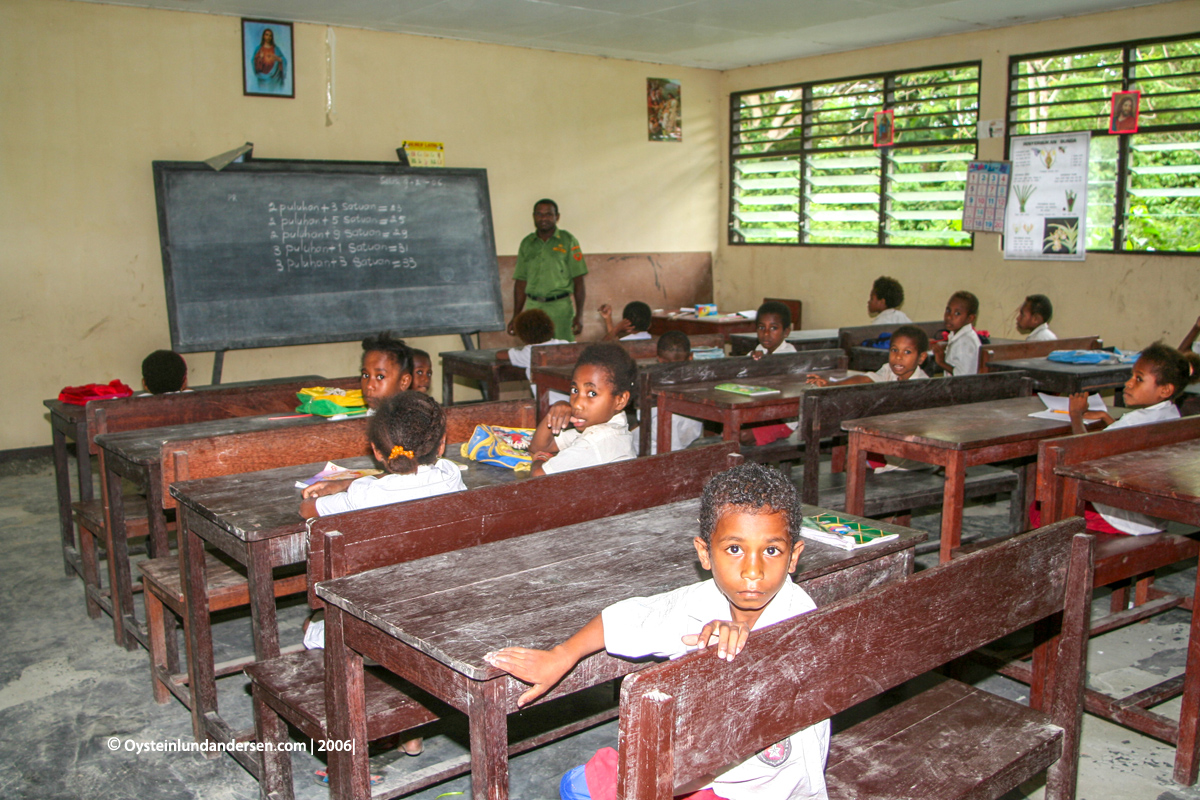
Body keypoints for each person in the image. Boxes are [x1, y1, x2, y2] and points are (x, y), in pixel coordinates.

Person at [484, 463, 828, 800]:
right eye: (735, 549)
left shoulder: (799, 615)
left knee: (611, 781)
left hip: (764, 786)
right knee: (580, 783)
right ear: (705, 554)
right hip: (703, 766)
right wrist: (562, 654)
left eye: (771, 550)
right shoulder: (702, 600)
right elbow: (630, 617)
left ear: (793, 557)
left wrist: (748, 646)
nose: (753, 570)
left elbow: (772, 680)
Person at [1065, 342, 1200, 535]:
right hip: (1153, 516)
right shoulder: (1172, 414)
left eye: (1139, 379)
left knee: (1042, 509)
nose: (1129, 383)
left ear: (1165, 390)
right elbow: (1128, 438)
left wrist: (1075, 415)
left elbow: (1084, 451)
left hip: (1123, 519)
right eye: (1132, 376)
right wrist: (1107, 419)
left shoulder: (1134, 419)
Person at [528, 344, 636, 476]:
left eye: (592, 394)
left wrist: (540, 459)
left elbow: (539, 475)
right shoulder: (606, 428)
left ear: (620, 400)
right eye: (575, 390)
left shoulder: (596, 440)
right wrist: (555, 411)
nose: (577, 404)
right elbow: (542, 446)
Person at [508, 199, 588, 342]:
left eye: (548, 214)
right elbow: (521, 282)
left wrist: (579, 315)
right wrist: (516, 316)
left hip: (561, 309)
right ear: (534, 216)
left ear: (557, 217)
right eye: (539, 214)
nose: (543, 218)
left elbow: (578, 281)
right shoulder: (527, 243)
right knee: (535, 354)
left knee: (565, 352)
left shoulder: (568, 240)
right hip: (533, 309)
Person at [635, 331, 704, 456]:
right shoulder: (700, 376)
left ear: (660, 360)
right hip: (690, 437)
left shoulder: (649, 380)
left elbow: (642, 418)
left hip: (655, 445)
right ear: (691, 357)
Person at [743, 301, 798, 446]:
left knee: (742, 435)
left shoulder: (789, 355)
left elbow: (777, 376)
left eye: (773, 328)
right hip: (762, 413)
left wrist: (759, 365)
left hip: (785, 419)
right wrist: (750, 361)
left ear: (786, 332)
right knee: (728, 428)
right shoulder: (757, 351)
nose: (766, 333)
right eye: (761, 327)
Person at [807, 325, 929, 386]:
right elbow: (864, 379)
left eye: (907, 352)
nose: (898, 357)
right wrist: (832, 385)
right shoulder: (888, 371)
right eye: (894, 350)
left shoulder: (923, 385)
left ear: (921, 357)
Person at [359, 332, 413, 411]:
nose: (369, 386)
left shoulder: (413, 420)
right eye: (365, 375)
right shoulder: (348, 419)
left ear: (404, 382)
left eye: (380, 376)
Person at [932, 291, 980, 376]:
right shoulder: (958, 336)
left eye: (957, 313)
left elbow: (964, 376)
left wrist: (941, 362)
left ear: (970, 318)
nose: (949, 316)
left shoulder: (966, 342)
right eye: (948, 310)